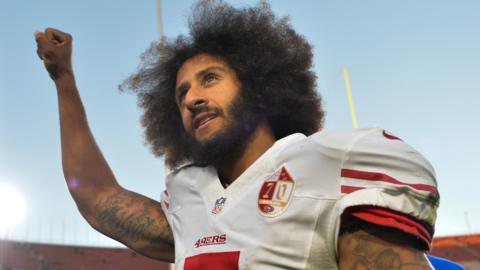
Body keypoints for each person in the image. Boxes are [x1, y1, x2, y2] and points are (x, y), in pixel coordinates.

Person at [35, 1, 439, 269]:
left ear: (258, 86)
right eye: (182, 93)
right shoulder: (188, 194)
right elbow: (97, 196)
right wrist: (63, 78)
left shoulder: (334, 161)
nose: (192, 97)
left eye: (210, 79)